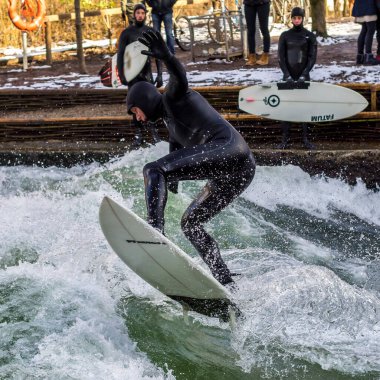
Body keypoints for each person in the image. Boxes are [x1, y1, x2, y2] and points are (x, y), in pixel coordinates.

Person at [126, 29, 256, 287]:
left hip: (229, 150)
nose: (138, 119)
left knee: (153, 169)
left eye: (136, 111)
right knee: (191, 223)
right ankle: (224, 279)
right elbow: (176, 155)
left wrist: (167, 57)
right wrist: (169, 181)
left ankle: (154, 234)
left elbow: (179, 76)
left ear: (146, 100)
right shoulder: (171, 124)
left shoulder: (174, 98)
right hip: (240, 171)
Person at [117, 3, 162, 146]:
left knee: (151, 104)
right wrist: (121, 74)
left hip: (147, 72)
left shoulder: (151, 31)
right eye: (138, 13)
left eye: (142, 13)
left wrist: (160, 74)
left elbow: (158, 54)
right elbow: (120, 55)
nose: (140, 15)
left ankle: (154, 132)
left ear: (145, 14)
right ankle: (138, 135)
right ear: (134, 15)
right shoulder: (127, 33)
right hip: (132, 74)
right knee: (135, 105)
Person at [276, 7, 317, 150]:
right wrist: (286, 74)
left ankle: (305, 139)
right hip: (288, 76)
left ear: (302, 18)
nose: (296, 20)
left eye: (299, 18)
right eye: (294, 18)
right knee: (286, 107)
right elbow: (281, 57)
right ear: (291, 19)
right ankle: (285, 139)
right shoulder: (285, 35)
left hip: (303, 76)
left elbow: (312, 57)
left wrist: (305, 73)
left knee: (304, 108)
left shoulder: (309, 36)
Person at [352, 0, 380, 65]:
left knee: (364, 31)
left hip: (360, 8)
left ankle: (360, 57)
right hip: (369, 8)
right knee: (370, 31)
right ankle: (368, 57)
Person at [243, 0, 271, 66]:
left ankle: (265, 56)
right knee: (250, 30)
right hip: (248, 3)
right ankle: (252, 57)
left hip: (263, 3)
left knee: (264, 29)